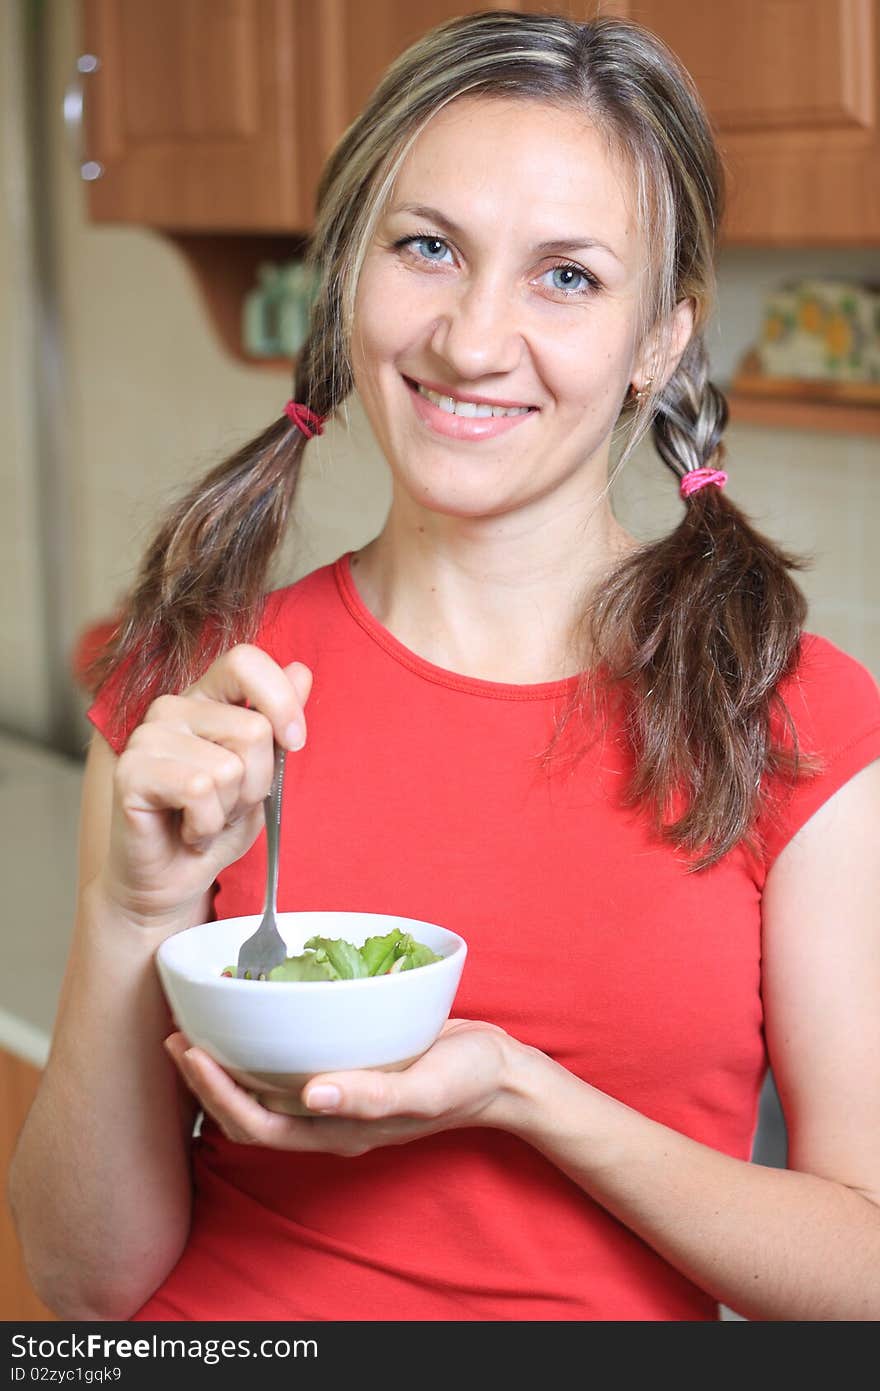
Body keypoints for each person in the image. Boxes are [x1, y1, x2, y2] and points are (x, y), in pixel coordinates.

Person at [10, 10, 880, 1323]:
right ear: (351, 272)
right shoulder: (195, 690)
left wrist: (524, 1095)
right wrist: (136, 912)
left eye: (568, 278)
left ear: (659, 342)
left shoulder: (794, 716)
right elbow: (83, 1299)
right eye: (428, 248)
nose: (472, 341)